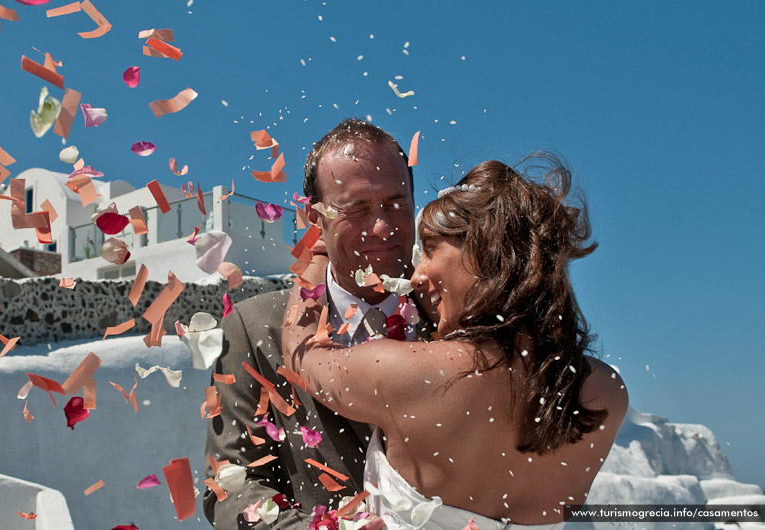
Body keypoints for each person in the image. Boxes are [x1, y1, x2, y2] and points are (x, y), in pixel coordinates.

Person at [283, 154, 629, 529]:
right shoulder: (605, 392)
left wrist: (318, 248)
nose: (416, 276)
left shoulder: (412, 373)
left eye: (430, 249)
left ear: (486, 252)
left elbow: (304, 354)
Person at [204, 118, 429, 529]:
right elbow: (230, 485)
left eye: (396, 203)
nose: (382, 226)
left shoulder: (456, 312)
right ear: (314, 217)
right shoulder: (253, 331)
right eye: (357, 208)